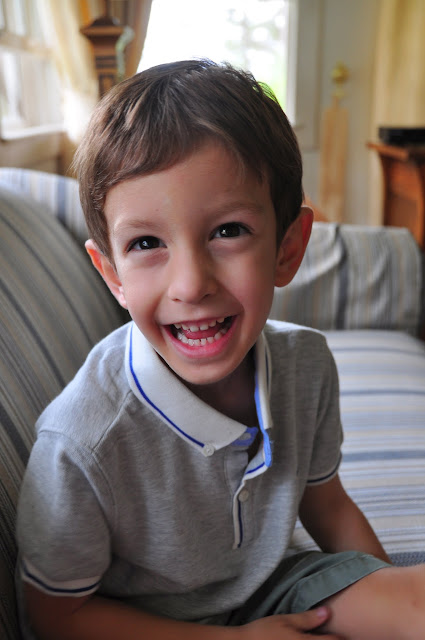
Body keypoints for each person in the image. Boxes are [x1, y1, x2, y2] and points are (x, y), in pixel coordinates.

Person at [16, 59, 425, 640]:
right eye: (147, 243)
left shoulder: (306, 365)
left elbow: (327, 505)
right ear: (111, 275)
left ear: (288, 249)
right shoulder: (82, 442)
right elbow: (56, 616)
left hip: (278, 587)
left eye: (228, 231)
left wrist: (383, 591)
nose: (190, 284)